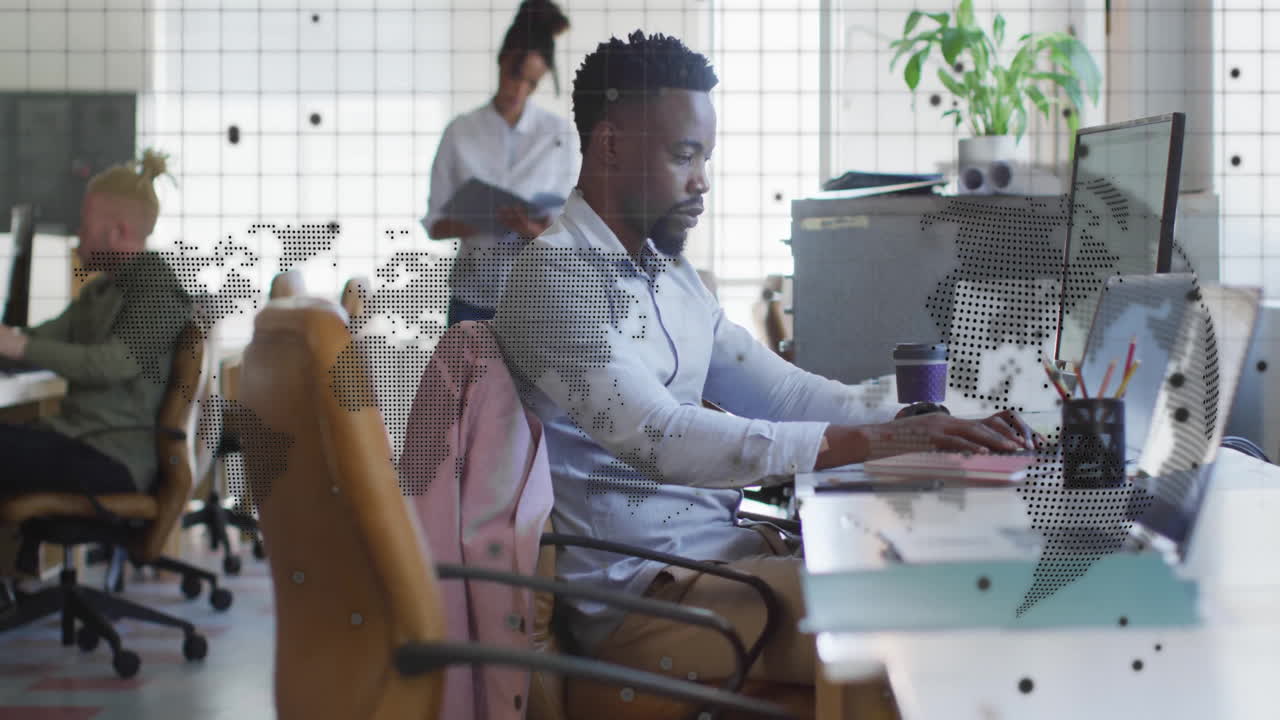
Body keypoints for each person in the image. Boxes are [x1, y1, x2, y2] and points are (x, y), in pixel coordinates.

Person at [492, 31, 1037, 713]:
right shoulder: (555, 280)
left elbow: (777, 389)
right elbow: (661, 437)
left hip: (721, 559)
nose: (702, 180)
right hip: (650, 600)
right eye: (683, 155)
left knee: (954, 581)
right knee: (924, 626)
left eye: (706, 157)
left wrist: (916, 420)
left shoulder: (667, 271)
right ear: (611, 145)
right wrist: (872, 444)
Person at [0, 148, 192, 502]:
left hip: (112, 457)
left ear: (118, 233)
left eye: (85, 225)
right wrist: (14, 342)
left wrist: (18, 345)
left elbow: (110, 364)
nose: (78, 235)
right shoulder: (100, 292)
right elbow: (37, 339)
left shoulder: (160, 294)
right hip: (76, 442)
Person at [423, 0, 579, 326]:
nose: (520, 91)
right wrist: (480, 222)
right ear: (501, 61)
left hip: (535, 300)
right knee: (467, 378)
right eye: (515, 76)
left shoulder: (558, 135)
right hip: (471, 298)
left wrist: (531, 230)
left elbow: (570, 227)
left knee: (529, 379)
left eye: (532, 83)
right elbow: (435, 224)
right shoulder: (460, 131)